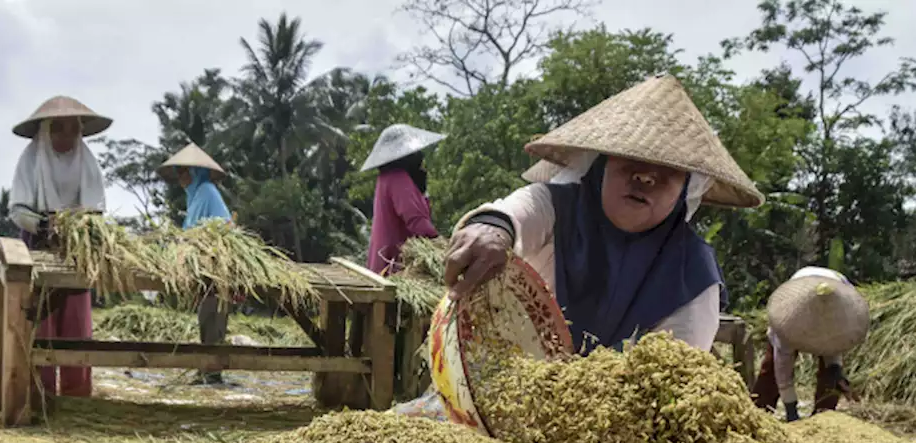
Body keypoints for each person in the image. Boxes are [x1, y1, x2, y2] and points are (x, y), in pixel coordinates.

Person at [443, 75, 764, 356]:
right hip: (514, 373)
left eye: (668, 170)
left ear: (685, 190)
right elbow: (509, 217)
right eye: (630, 159)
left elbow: (672, 378)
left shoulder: (693, 274)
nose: (646, 178)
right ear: (601, 165)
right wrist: (492, 231)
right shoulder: (557, 206)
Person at [9, 95, 111, 399]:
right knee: (40, 321)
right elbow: (17, 210)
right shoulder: (30, 160)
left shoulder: (86, 161)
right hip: (38, 246)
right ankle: (40, 393)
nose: (66, 136)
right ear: (46, 130)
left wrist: (82, 223)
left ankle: (76, 394)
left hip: (76, 250)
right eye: (59, 128)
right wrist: (45, 224)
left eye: (72, 129)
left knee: (75, 324)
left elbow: (96, 208)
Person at [158, 143, 233, 385]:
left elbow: (198, 231)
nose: (181, 178)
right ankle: (207, 368)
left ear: (195, 173)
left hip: (217, 265)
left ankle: (212, 371)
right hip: (205, 267)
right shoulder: (196, 196)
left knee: (214, 315)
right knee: (206, 315)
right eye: (179, 173)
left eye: (184, 172)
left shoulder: (206, 191)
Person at [752, 266, 870, 421]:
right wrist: (791, 408)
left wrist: (835, 368)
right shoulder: (788, 321)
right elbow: (782, 368)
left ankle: (824, 417)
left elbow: (836, 342)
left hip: (834, 297)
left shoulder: (840, 312)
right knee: (771, 371)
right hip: (798, 296)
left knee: (831, 378)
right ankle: (760, 414)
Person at [361, 124, 445, 275]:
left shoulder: (385, 178)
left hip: (384, 263)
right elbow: (416, 220)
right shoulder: (398, 178)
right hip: (394, 266)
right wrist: (441, 245)